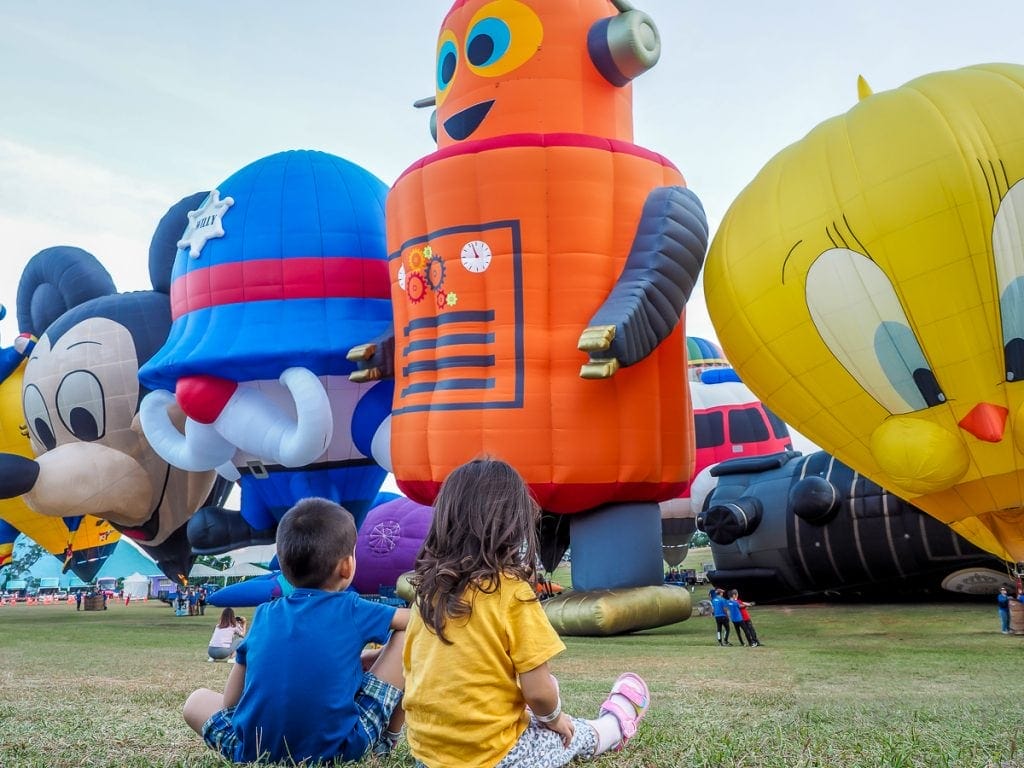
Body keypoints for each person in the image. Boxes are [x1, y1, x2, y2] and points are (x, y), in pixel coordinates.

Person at [402, 457, 650, 768]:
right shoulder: (511, 592)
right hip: (495, 757)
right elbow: (539, 692)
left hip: (427, 755)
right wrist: (554, 718)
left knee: (530, 711)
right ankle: (614, 726)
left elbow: (414, 669)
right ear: (514, 525)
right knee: (569, 733)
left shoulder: (427, 593)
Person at [183, 497, 408, 764]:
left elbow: (231, 703)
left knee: (196, 701)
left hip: (254, 750)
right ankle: (387, 740)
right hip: (340, 750)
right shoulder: (352, 607)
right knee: (409, 636)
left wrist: (356, 662)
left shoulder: (265, 614)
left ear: (284, 567)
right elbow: (417, 621)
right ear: (347, 566)